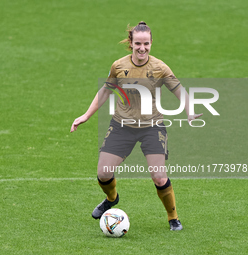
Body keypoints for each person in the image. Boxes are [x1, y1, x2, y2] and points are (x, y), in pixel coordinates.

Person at [70, 21, 202, 231]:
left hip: (152, 126)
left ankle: (173, 217)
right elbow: (105, 90)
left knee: (159, 177)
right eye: (138, 43)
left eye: (146, 44)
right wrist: (86, 115)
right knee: (104, 173)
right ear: (131, 43)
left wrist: (189, 110)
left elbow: (178, 89)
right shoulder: (119, 66)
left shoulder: (159, 67)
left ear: (151, 43)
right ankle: (111, 199)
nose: (142, 48)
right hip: (122, 125)